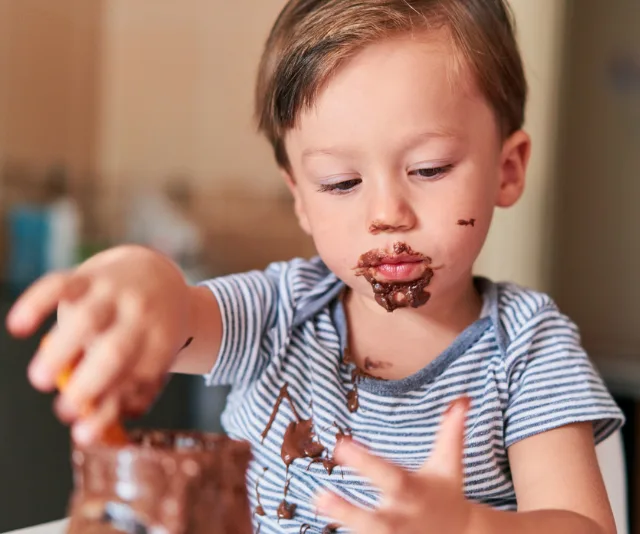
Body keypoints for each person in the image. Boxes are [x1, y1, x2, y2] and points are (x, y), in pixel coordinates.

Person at [6, 1, 624, 533]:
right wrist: (139, 279)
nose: (387, 214)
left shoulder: (527, 348)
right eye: (341, 182)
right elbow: (176, 315)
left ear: (507, 170)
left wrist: (467, 524)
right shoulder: (282, 311)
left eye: (430, 169)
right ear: (299, 196)